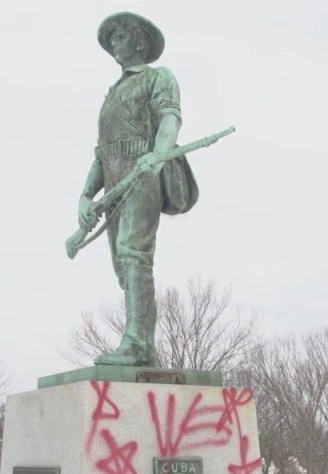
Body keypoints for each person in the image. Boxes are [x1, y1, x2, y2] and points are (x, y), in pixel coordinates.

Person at [76, 12, 198, 367]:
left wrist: (157, 158)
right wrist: (86, 195)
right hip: (114, 183)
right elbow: (101, 154)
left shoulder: (159, 77)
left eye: (120, 35)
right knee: (122, 266)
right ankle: (140, 340)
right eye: (111, 36)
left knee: (134, 254)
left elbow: (170, 118)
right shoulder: (113, 92)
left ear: (140, 40)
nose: (114, 41)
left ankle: (138, 342)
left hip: (143, 175)